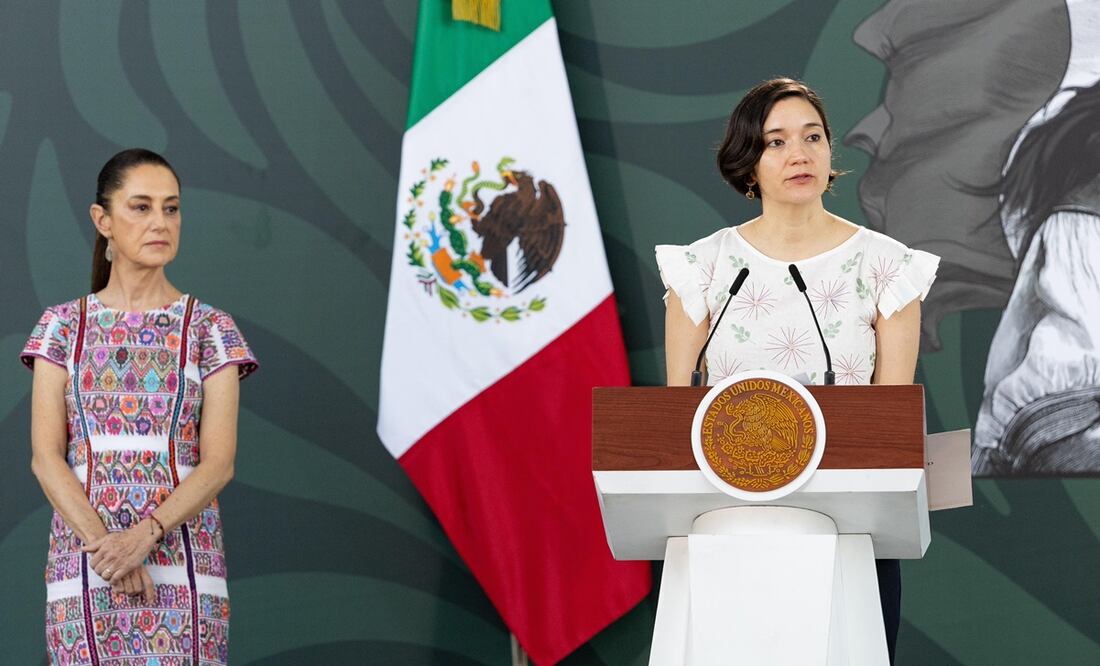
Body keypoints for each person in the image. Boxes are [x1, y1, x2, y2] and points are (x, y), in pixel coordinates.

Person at [656, 78, 939, 664]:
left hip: (848, 535)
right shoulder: (704, 269)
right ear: (748, 163)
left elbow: (889, 428)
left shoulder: (887, 267)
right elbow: (671, 424)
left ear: (831, 151)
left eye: (813, 137)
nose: (799, 154)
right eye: (776, 141)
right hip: (725, 535)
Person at [21, 148, 258, 665]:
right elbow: (45, 456)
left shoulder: (210, 330)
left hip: (184, 566)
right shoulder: (61, 327)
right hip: (85, 563)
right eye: (141, 207)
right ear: (102, 220)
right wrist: (111, 549)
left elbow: (218, 464)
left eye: (171, 209)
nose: (160, 222)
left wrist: (143, 538)